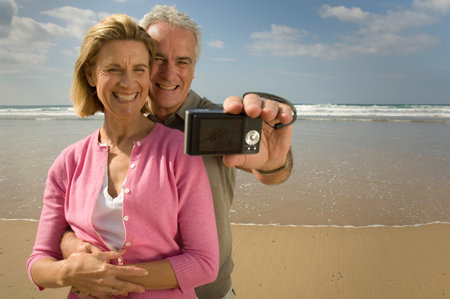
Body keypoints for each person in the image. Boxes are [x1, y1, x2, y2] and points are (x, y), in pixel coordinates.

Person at [60, 5, 294, 299]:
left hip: (209, 291)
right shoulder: (121, 119)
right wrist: (70, 245)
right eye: (158, 59)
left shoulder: (218, 121)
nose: (170, 73)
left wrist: (274, 163)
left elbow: (273, 173)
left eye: (183, 61)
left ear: (194, 69)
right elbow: (78, 218)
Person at [27, 14, 219, 299]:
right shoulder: (68, 162)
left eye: (139, 69)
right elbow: (39, 262)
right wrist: (70, 272)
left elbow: (204, 263)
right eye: (114, 69)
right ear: (91, 73)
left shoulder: (179, 152)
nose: (128, 83)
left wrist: (109, 279)